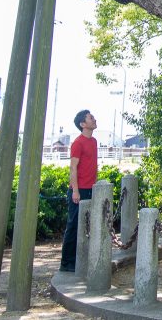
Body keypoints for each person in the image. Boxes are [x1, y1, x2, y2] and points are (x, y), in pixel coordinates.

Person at [59, 109, 98, 272]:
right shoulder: (78, 143)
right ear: (83, 124)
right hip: (79, 189)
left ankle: (82, 258)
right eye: (90, 118)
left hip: (91, 188)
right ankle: (67, 263)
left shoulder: (94, 141)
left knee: (88, 226)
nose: (94, 119)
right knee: (74, 225)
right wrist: (75, 191)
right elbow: (73, 168)